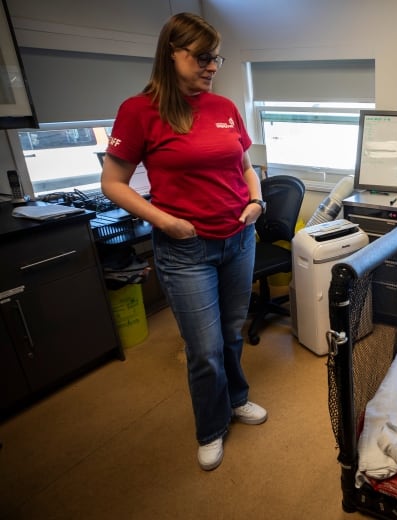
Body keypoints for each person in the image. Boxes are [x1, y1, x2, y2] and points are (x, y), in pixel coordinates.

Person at [101, 12, 267, 471]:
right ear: (171, 54)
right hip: (185, 248)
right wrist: (165, 222)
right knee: (205, 349)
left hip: (239, 238)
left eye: (216, 57)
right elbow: (112, 183)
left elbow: (246, 166)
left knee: (231, 334)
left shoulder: (225, 108)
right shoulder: (139, 111)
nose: (212, 66)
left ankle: (237, 400)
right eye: (202, 57)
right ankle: (212, 427)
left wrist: (256, 202)